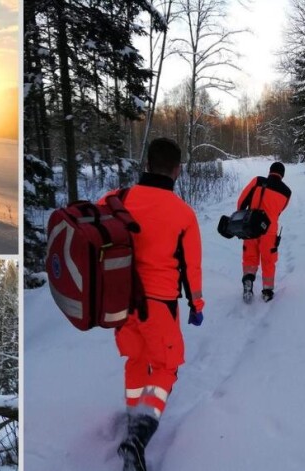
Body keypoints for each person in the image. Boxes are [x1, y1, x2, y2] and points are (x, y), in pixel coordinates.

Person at [101, 138, 205, 471]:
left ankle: (134, 417)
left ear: (147, 165)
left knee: (136, 359)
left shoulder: (118, 199)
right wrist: (196, 304)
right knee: (166, 366)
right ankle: (139, 436)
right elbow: (192, 267)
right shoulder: (183, 214)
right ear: (177, 170)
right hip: (159, 305)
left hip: (119, 303)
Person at [237, 161, 291, 302]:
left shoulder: (258, 181)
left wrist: (243, 216)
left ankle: (248, 279)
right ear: (282, 175)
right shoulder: (287, 192)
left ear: (270, 171)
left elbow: (241, 202)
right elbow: (279, 211)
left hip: (251, 226)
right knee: (268, 260)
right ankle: (267, 291)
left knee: (250, 257)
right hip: (269, 230)